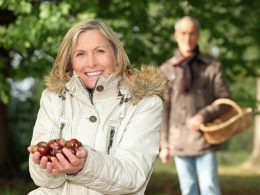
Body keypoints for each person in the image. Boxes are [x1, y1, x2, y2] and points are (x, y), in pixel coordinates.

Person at [27, 18, 167, 195]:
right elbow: (41, 179)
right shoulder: (54, 98)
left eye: (100, 51)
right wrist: (47, 166)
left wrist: (83, 165)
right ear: (70, 60)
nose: (91, 62)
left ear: (116, 54)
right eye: (80, 54)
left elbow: (133, 177)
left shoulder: (144, 102)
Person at [159, 16, 231, 195]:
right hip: (178, 140)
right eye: (183, 33)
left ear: (198, 35)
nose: (187, 38)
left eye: (192, 33)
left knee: (209, 187)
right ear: (176, 35)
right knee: (188, 188)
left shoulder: (212, 67)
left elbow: (225, 101)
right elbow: (163, 110)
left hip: (205, 138)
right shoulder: (166, 69)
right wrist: (164, 145)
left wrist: (203, 115)